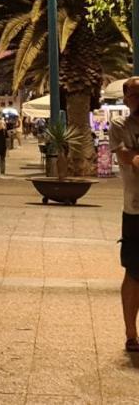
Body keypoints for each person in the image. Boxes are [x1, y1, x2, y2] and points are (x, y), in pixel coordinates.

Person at [110, 77, 139, 353]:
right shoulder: (120, 125)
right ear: (126, 97)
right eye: (135, 95)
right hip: (135, 209)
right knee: (134, 271)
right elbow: (126, 157)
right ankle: (131, 333)